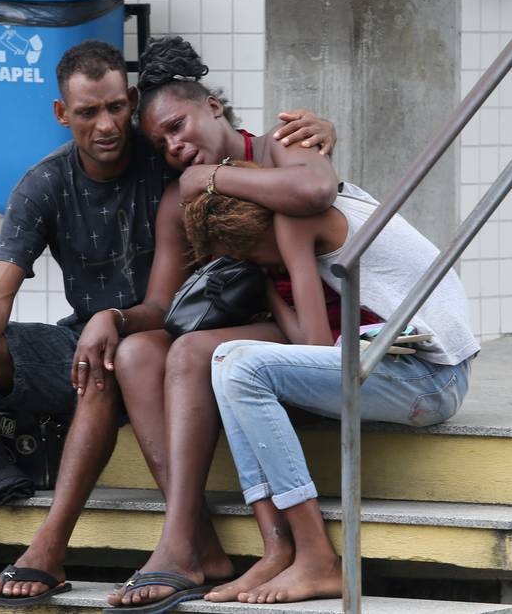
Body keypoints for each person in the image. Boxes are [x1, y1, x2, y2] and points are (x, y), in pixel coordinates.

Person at [0, 39, 336, 604]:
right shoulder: (48, 182)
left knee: (109, 357)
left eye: (115, 107)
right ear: (63, 114)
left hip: (159, 337)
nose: (106, 125)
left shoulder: (169, 156)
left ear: (130, 101)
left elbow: (240, 147)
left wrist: (320, 133)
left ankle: (56, 546)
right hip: (94, 333)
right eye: (88, 112)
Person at [104, 36, 358, 612]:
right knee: (140, 352)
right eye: (162, 143)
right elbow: (162, 307)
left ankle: (179, 545)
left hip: (324, 328)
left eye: (178, 126)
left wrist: (212, 179)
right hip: (261, 328)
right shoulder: (180, 197)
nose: (174, 146)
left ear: (213, 106)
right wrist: (113, 318)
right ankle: (200, 538)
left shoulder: (281, 143)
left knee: (195, 353)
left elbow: (315, 189)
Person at [190, 172, 478, 603]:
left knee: (240, 365)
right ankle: (278, 550)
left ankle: (316, 556)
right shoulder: (328, 203)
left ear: (261, 228)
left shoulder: (295, 221)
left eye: (249, 255)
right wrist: (268, 288)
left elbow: (315, 345)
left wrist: (269, 278)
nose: (254, 265)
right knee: (226, 359)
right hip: (419, 372)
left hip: (432, 377)